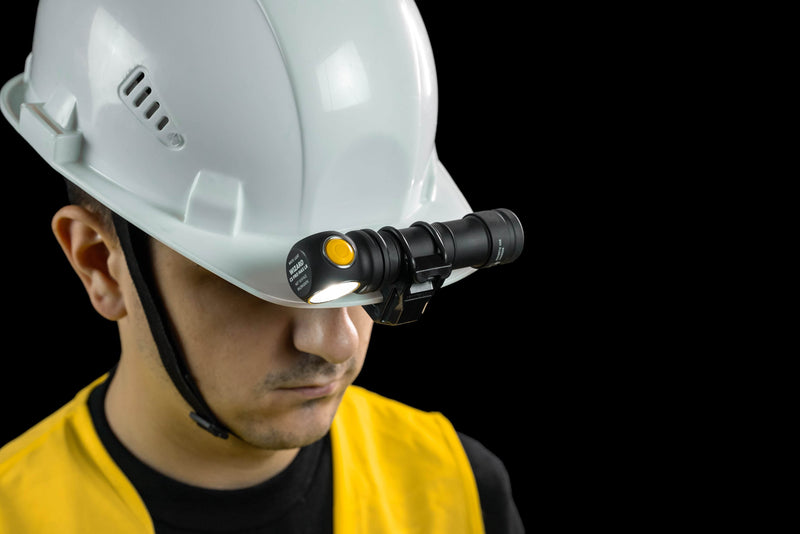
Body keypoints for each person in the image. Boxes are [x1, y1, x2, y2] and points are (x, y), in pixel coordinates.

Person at [0, 1, 524, 532]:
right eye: (263, 286)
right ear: (99, 264)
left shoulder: (458, 492)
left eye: (371, 277)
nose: (337, 343)